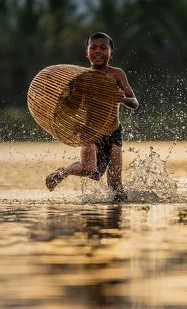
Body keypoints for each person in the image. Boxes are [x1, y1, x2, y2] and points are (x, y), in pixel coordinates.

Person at [45, 32, 139, 201]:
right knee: (88, 168)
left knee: (116, 187)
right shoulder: (81, 79)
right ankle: (64, 172)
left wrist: (124, 99)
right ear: (86, 52)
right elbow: (72, 110)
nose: (98, 51)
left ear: (111, 53)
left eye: (104, 48)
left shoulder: (117, 74)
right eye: (93, 47)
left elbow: (135, 103)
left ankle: (115, 220)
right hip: (90, 132)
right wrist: (64, 101)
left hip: (114, 133)